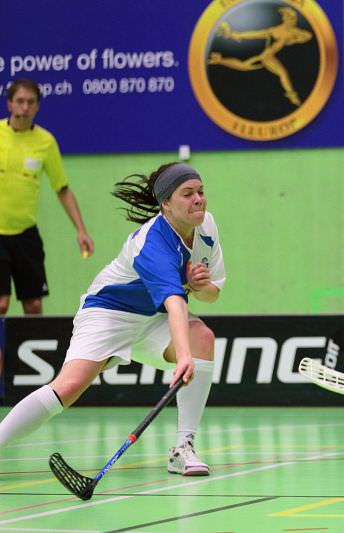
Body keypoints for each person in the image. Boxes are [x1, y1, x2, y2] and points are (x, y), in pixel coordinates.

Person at [0, 162, 225, 477]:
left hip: (153, 320)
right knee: (69, 386)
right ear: (166, 204)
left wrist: (201, 286)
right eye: (187, 194)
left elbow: (213, 294)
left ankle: (183, 448)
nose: (198, 199)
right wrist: (183, 356)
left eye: (200, 191)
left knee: (203, 338)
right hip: (109, 314)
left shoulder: (206, 226)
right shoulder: (152, 241)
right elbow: (175, 302)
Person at [0, 78, 94, 315]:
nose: (25, 107)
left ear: (37, 106)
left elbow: (62, 189)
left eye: (30, 102)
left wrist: (81, 230)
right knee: (1, 304)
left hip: (26, 236)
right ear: (10, 104)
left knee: (33, 306)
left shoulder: (46, 141)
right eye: (20, 101)